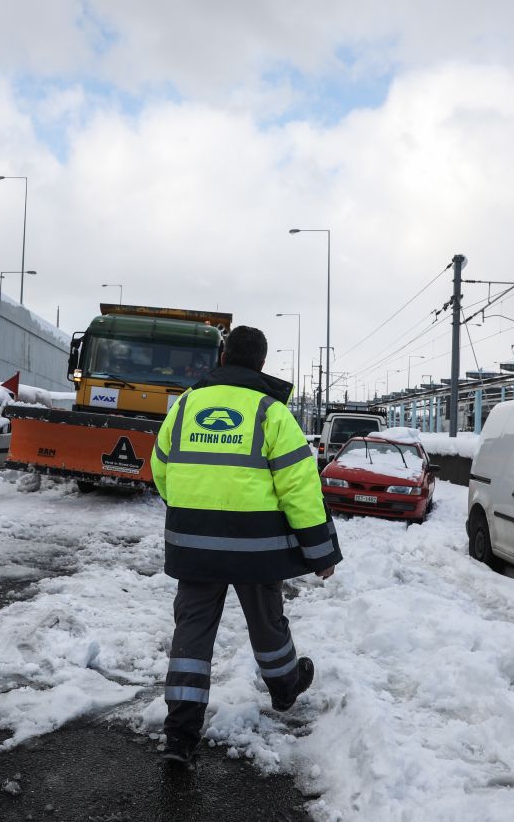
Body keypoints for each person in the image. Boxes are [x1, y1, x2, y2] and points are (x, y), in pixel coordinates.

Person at [151, 325, 342, 765]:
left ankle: (180, 736)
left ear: (222, 358)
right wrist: (321, 552)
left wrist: (193, 510)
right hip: (256, 547)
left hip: (193, 546)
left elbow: (160, 469)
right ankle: (285, 687)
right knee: (266, 622)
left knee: (192, 633)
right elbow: (299, 489)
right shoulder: (271, 412)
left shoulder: (186, 405)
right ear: (261, 363)